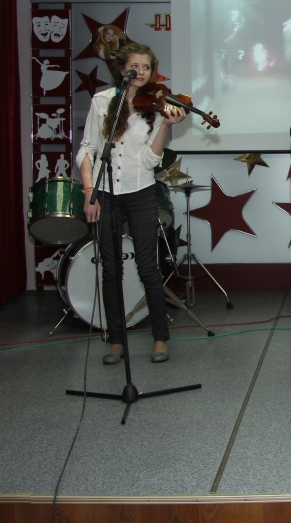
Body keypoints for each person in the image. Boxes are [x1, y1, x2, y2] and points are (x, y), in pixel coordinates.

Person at [77, 42, 188, 364]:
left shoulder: (154, 107)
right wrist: (89, 191)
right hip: (104, 192)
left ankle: (160, 338)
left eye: (146, 67)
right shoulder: (102, 101)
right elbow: (87, 149)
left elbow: (151, 161)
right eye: (135, 66)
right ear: (122, 69)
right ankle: (116, 340)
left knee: (148, 267)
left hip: (140, 191)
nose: (141, 72)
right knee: (110, 270)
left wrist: (164, 126)